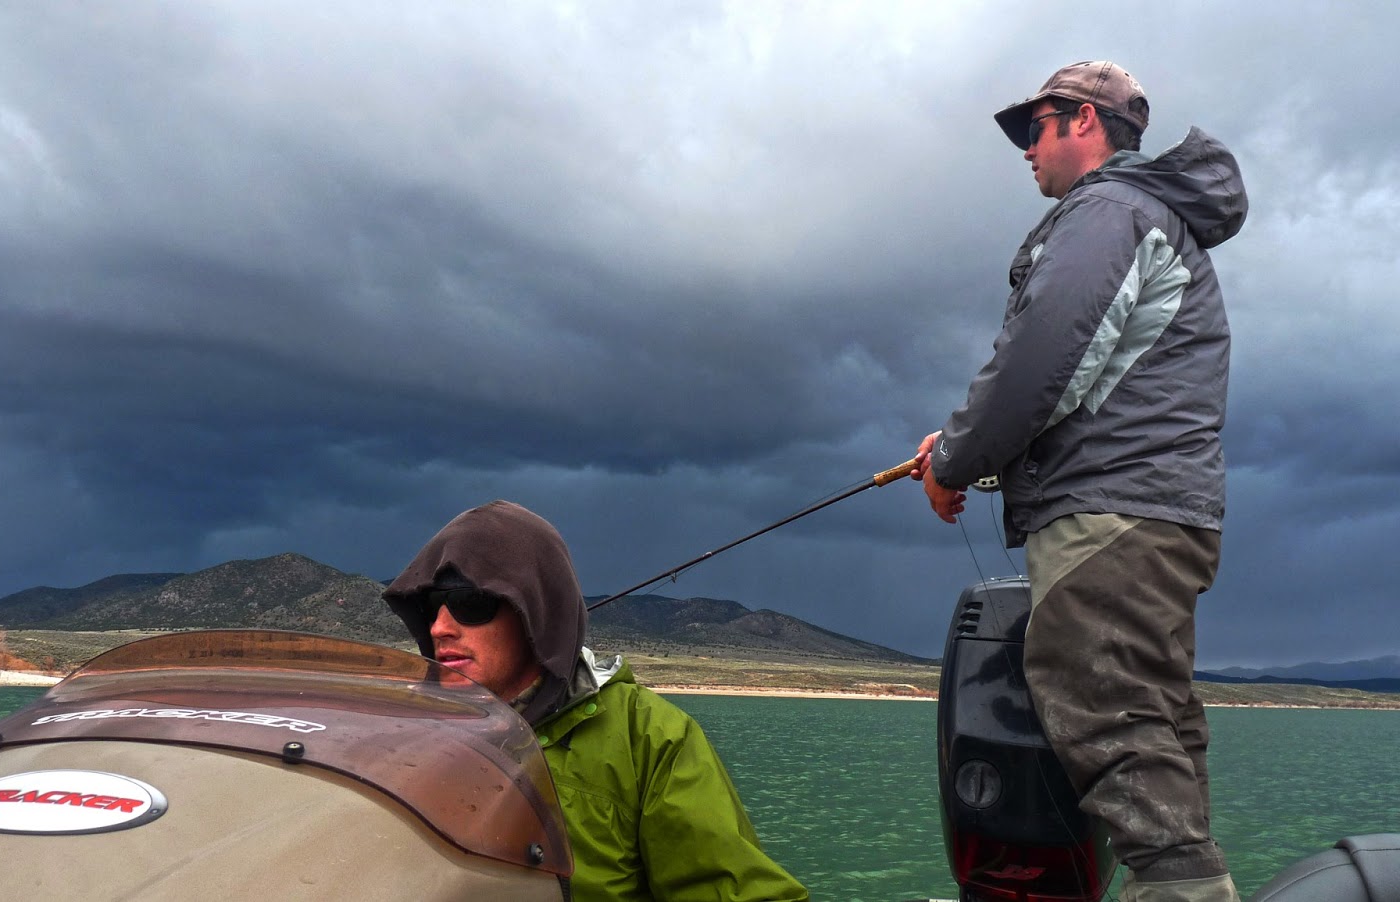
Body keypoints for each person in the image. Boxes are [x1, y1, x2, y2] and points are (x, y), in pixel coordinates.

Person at [910, 61, 1248, 902]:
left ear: (1083, 122)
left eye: (1036, 127)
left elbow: (1041, 365)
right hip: (1157, 514)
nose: (1026, 149)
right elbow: (1088, 384)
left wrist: (954, 458)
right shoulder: (1150, 220)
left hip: (1112, 521)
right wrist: (965, 450)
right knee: (1155, 725)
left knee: (1110, 714)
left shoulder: (1106, 213)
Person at [383, 500, 808, 902]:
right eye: (432, 605)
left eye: (467, 603)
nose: (440, 627)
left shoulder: (649, 738)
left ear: (535, 612)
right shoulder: (411, 735)